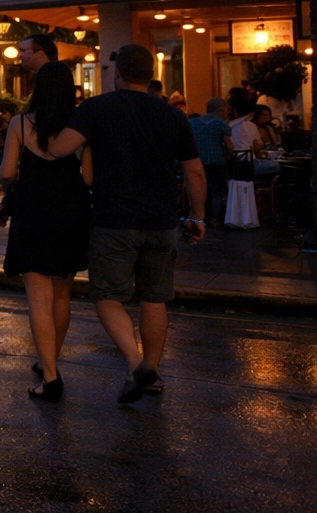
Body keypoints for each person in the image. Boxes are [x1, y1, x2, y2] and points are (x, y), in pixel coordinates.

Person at [43, 44, 206, 404]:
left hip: (113, 220)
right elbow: (194, 170)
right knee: (154, 298)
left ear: (117, 73)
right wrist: (197, 217)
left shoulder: (97, 107)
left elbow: (58, 148)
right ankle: (153, 372)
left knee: (108, 296)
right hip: (161, 222)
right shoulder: (173, 116)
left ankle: (136, 365)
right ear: (150, 76)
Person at [0, 61, 93, 402]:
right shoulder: (81, 126)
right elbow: (90, 179)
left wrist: (12, 189)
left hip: (33, 212)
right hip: (71, 212)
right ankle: (48, 358)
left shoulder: (21, 124)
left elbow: (7, 171)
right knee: (62, 294)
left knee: (38, 297)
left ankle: (50, 375)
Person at [189, 98, 234, 224]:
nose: (227, 112)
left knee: (199, 190)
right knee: (217, 191)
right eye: (226, 109)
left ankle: (199, 216)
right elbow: (229, 146)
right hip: (217, 162)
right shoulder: (222, 124)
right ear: (220, 109)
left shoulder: (192, 123)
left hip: (197, 162)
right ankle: (215, 217)